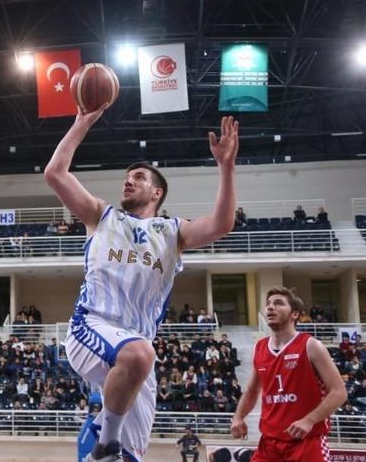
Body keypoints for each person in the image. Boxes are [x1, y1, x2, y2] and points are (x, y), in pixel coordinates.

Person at [45, 108, 239, 462]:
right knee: (137, 356)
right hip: (92, 327)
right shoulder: (102, 216)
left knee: (132, 456)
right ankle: (105, 444)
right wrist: (82, 122)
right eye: (126, 177)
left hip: (137, 349)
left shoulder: (171, 231)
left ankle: (103, 444)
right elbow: (55, 173)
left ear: (156, 192)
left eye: (137, 177)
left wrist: (226, 167)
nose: (128, 181)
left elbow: (223, 224)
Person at [230, 287, 347, 461]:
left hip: (306, 441)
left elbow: (339, 392)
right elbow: (252, 391)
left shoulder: (310, 345)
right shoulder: (259, 348)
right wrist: (238, 417)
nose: (270, 307)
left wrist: (308, 420)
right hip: (269, 443)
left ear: (294, 314)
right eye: (268, 304)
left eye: (278, 303)